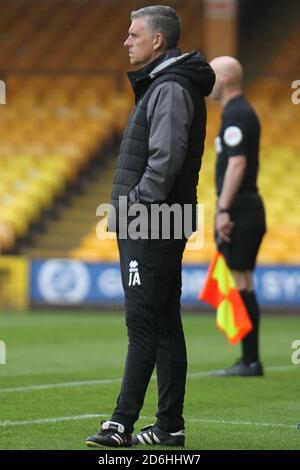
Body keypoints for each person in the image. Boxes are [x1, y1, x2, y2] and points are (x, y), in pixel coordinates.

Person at [85, 5, 215, 448]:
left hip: (153, 221)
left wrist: (137, 206)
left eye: (133, 34)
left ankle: (120, 424)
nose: (126, 41)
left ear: (158, 40)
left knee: (142, 323)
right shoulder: (166, 85)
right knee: (161, 323)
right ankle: (169, 426)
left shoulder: (172, 87)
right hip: (158, 219)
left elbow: (166, 158)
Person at [209, 56, 266, 377]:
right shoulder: (239, 111)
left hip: (241, 208)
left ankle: (250, 360)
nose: (209, 81)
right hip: (246, 206)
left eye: (213, 75)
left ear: (227, 78)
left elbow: (237, 164)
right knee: (242, 281)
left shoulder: (236, 113)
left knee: (242, 280)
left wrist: (224, 209)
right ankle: (249, 358)